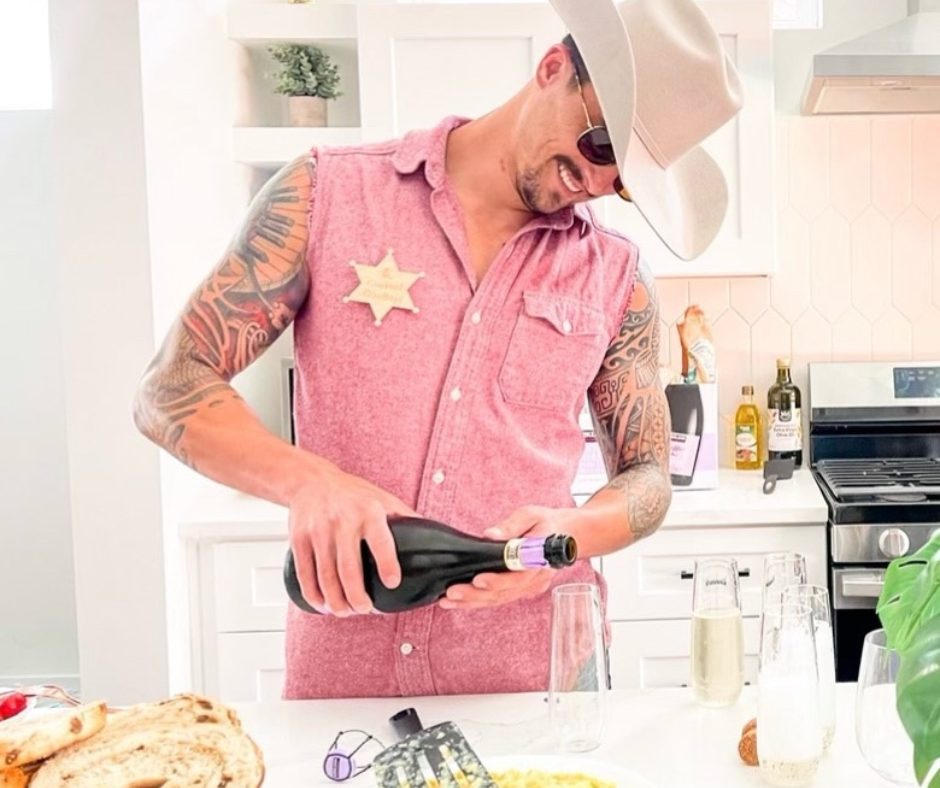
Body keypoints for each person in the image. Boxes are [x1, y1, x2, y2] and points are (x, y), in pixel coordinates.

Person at [134, 0, 742, 698]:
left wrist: (567, 537)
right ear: (553, 69)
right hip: (349, 686)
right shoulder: (326, 194)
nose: (597, 183)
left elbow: (648, 477)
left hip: (536, 685)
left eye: (624, 181)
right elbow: (169, 386)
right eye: (601, 145)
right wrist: (309, 483)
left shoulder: (617, 277)